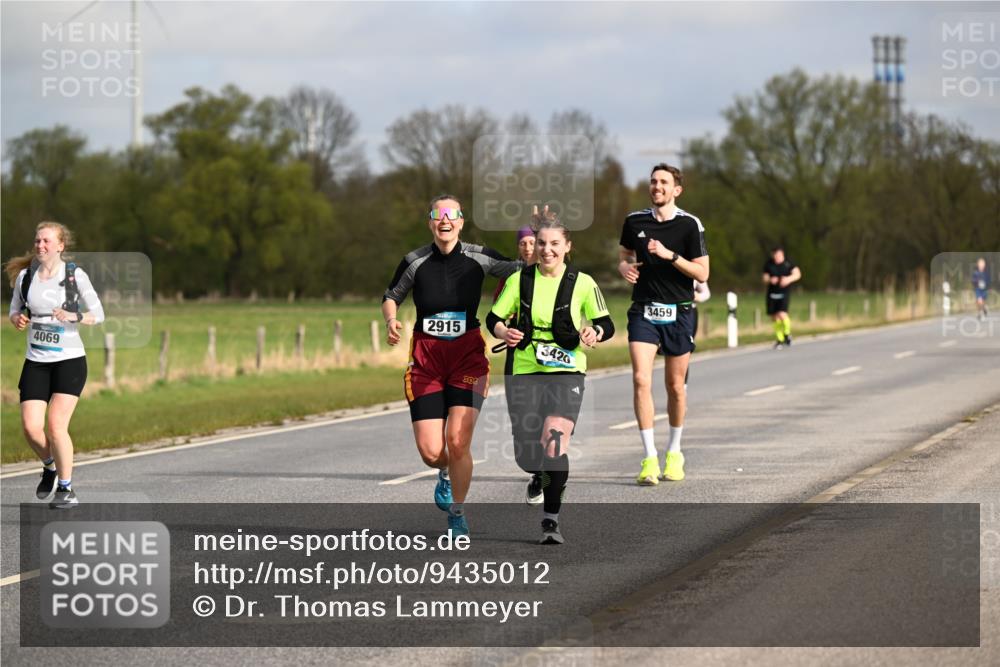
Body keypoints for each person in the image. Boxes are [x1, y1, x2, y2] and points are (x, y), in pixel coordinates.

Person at [382, 195, 521, 537]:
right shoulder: (415, 261)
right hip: (427, 361)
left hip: (467, 358)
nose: (445, 220)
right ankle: (443, 471)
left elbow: (523, 270)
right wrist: (391, 320)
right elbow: (392, 295)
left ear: (461, 221)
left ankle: (457, 514)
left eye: (451, 215)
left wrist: (539, 239)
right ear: (430, 221)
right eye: (438, 214)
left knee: (458, 442)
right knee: (432, 452)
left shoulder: (480, 257)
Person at [488, 210, 614, 544]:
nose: (547, 250)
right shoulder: (520, 280)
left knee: (554, 444)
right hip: (525, 369)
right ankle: (539, 475)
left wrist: (594, 331)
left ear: (567, 246)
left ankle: (551, 520)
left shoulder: (583, 283)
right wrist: (504, 331)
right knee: (528, 455)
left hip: (567, 370)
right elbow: (493, 317)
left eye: (555, 243)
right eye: (541, 243)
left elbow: (607, 322)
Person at [619, 164, 709, 486]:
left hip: (679, 312)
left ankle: (674, 451)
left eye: (664, 182)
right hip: (644, 311)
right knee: (641, 379)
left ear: (676, 190)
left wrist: (671, 256)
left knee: (675, 387)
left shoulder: (689, 225)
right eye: (653, 181)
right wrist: (624, 268)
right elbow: (625, 252)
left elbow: (702, 274)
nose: (657, 187)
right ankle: (648, 458)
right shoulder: (634, 221)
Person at [6, 222, 105, 509]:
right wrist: (17, 319)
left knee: (55, 426)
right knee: (29, 427)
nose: (40, 246)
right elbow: (14, 310)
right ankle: (49, 466)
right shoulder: (27, 277)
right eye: (37, 241)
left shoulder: (74, 276)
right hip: (36, 361)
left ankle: (66, 488)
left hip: (69, 362)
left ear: (60, 245)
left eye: (46, 241)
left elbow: (98, 314)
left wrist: (74, 316)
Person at [762, 246, 801, 349]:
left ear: (782, 254)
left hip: (784, 292)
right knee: (774, 317)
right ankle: (779, 339)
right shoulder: (769, 264)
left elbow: (797, 274)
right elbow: (764, 277)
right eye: (774, 255)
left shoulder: (788, 263)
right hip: (772, 292)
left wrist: (788, 279)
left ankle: (787, 334)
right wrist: (770, 279)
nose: (776, 257)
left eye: (778, 255)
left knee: (782, 314)